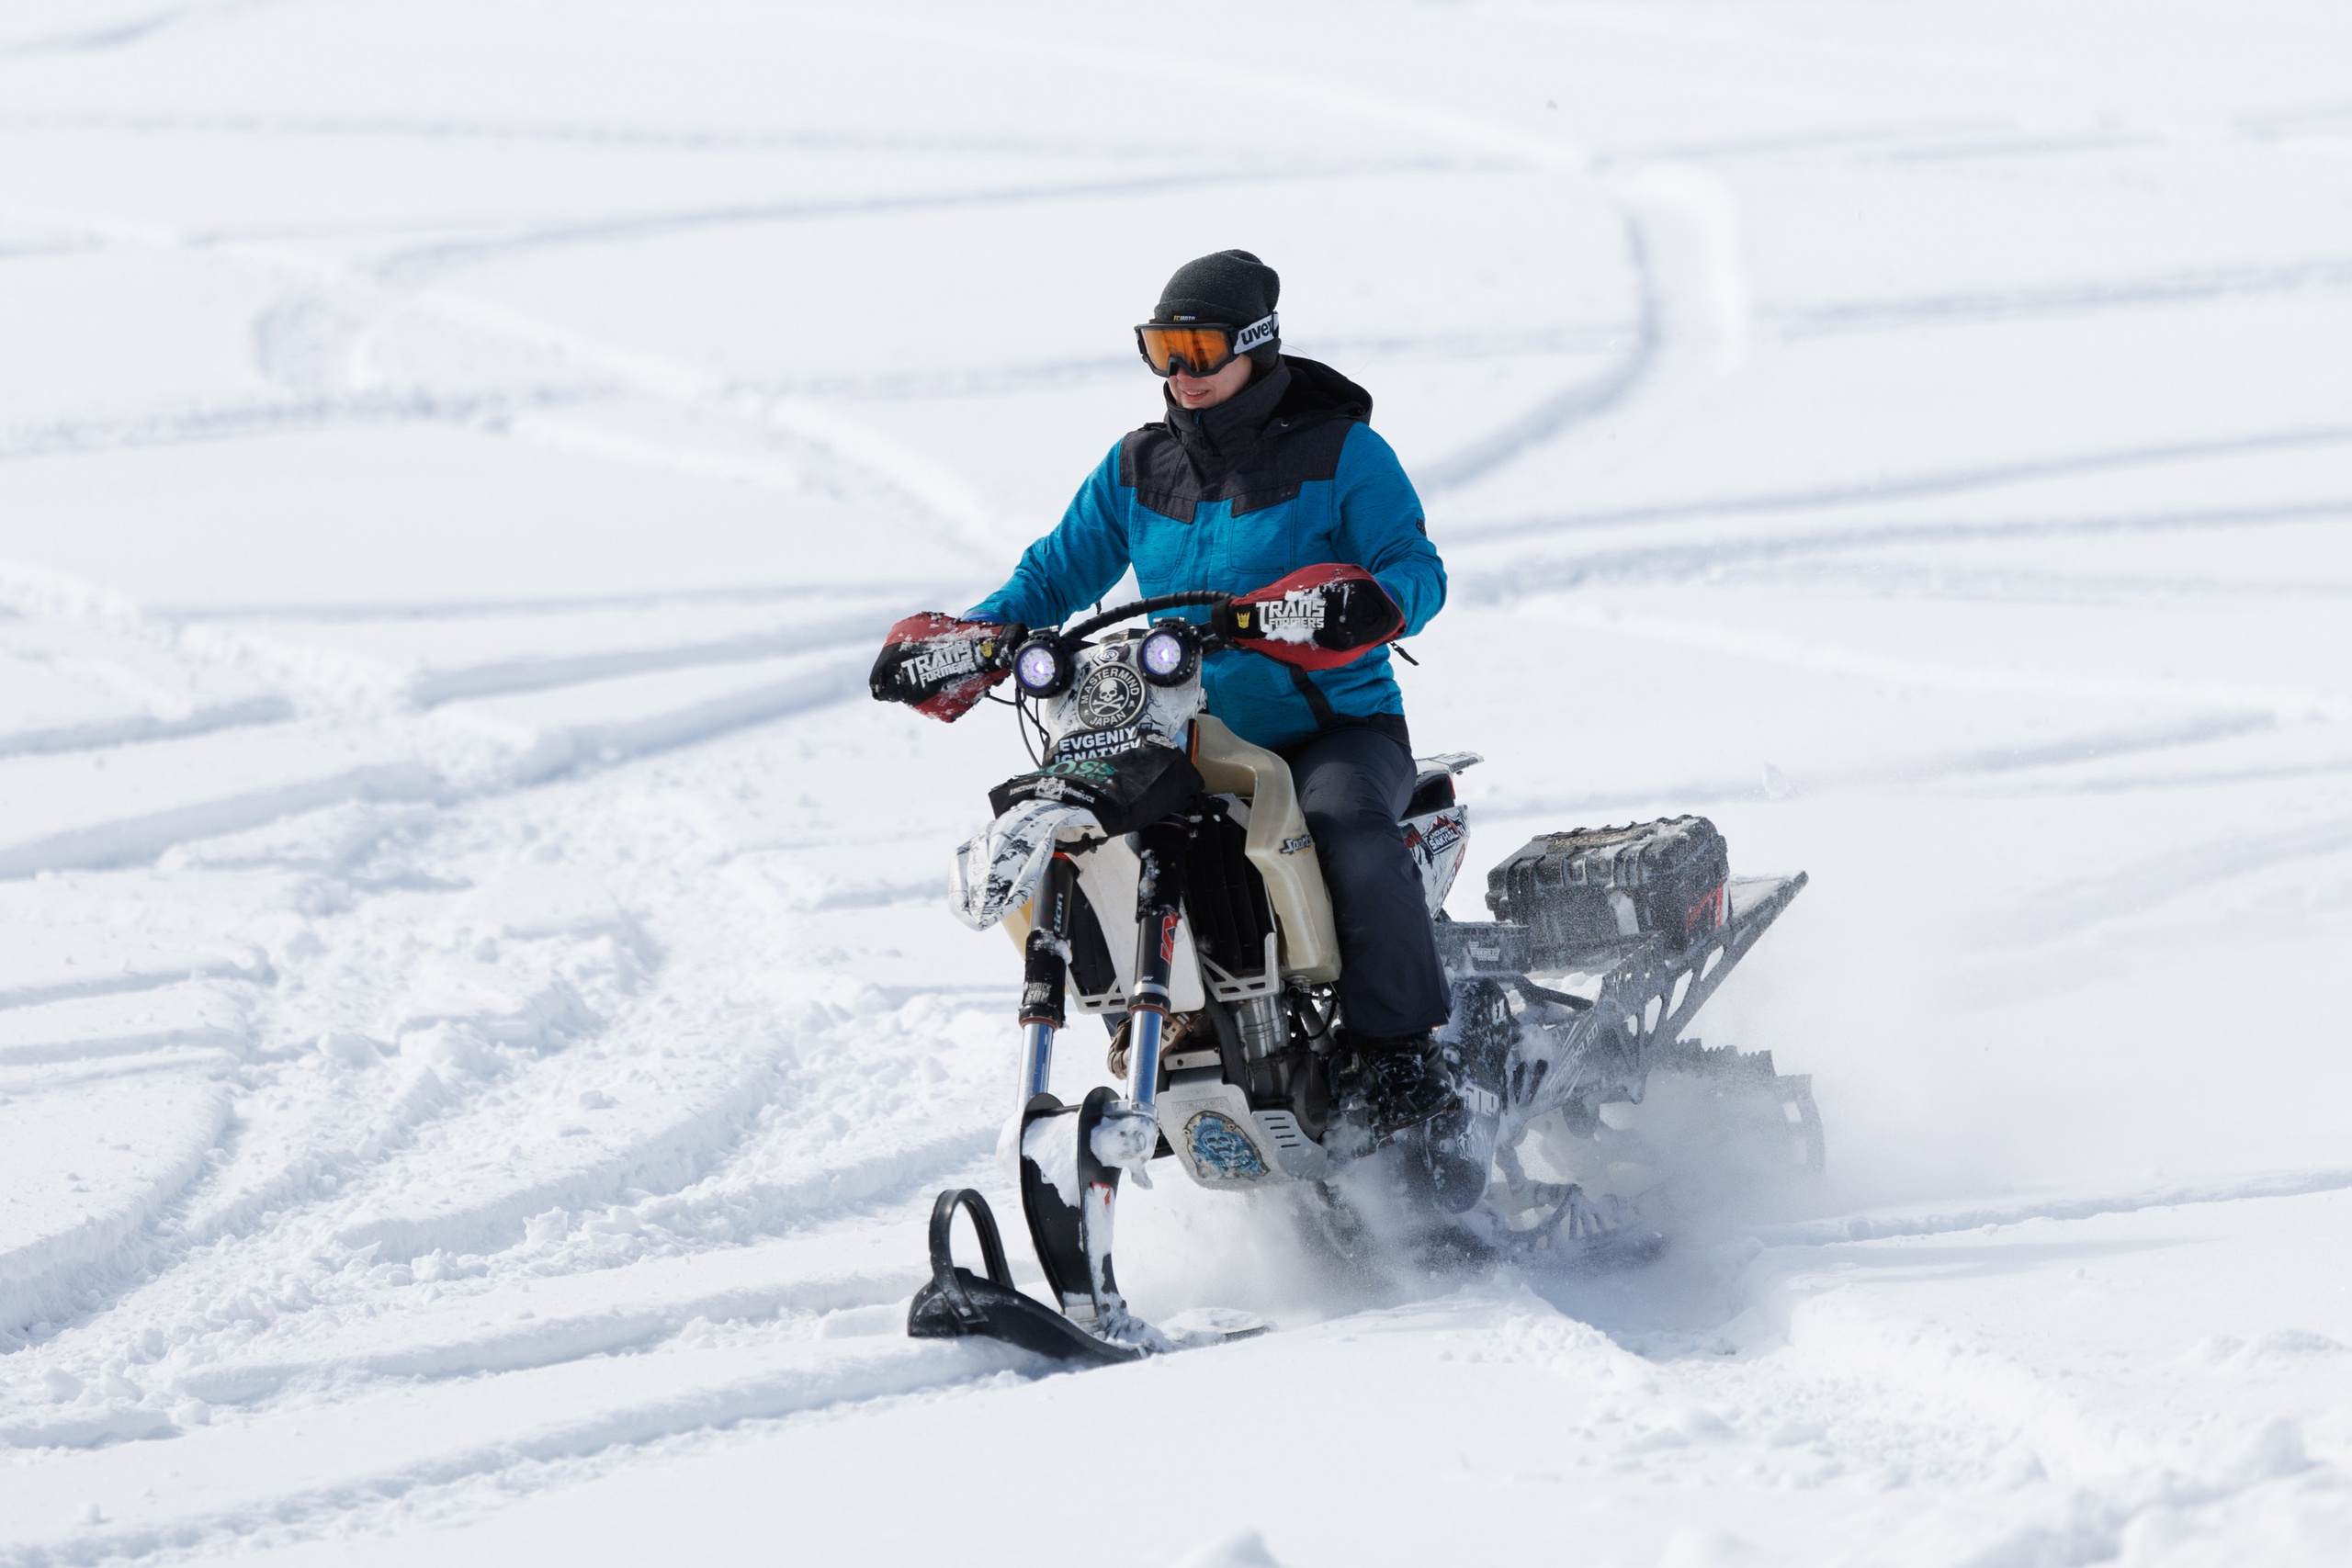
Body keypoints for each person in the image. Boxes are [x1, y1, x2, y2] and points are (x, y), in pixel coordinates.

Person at [900, 250, 1454, 1133]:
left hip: (1330, 732)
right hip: (1180, 738)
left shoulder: (1343, 451)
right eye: (1163, 349)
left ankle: (1403, 1064)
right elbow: (1050, 577)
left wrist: (1370, 603)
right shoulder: (1138, 466)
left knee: (1348, 830)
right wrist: (975, 640)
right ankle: (1156, 1019)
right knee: (1074, 832)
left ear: (1258, 347)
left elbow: (1415, 569)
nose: (1181, 374)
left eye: (1200, 349)